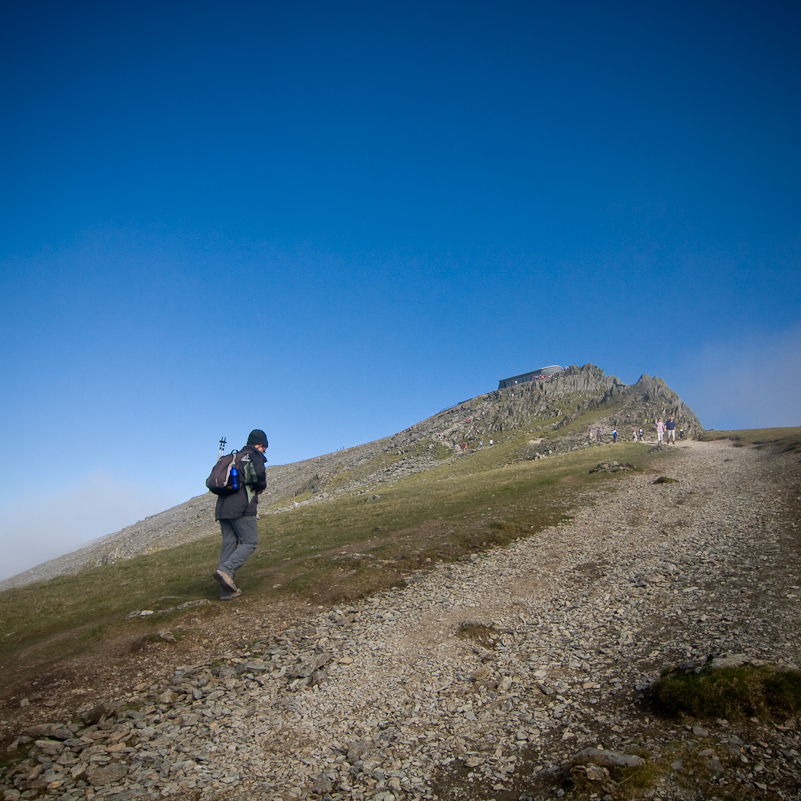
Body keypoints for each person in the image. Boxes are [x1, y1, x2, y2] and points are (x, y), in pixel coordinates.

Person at [213, 429, 269, 600]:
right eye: (264, 449)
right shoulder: (253, 455)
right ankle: (226, 571)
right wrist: (260, 487)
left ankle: (225, 592)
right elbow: (258, 475)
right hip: (242, 508)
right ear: (259, 445)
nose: (264, 452)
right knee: (250, 542)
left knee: (229, 544)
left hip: (223, 509)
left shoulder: (234, 457)